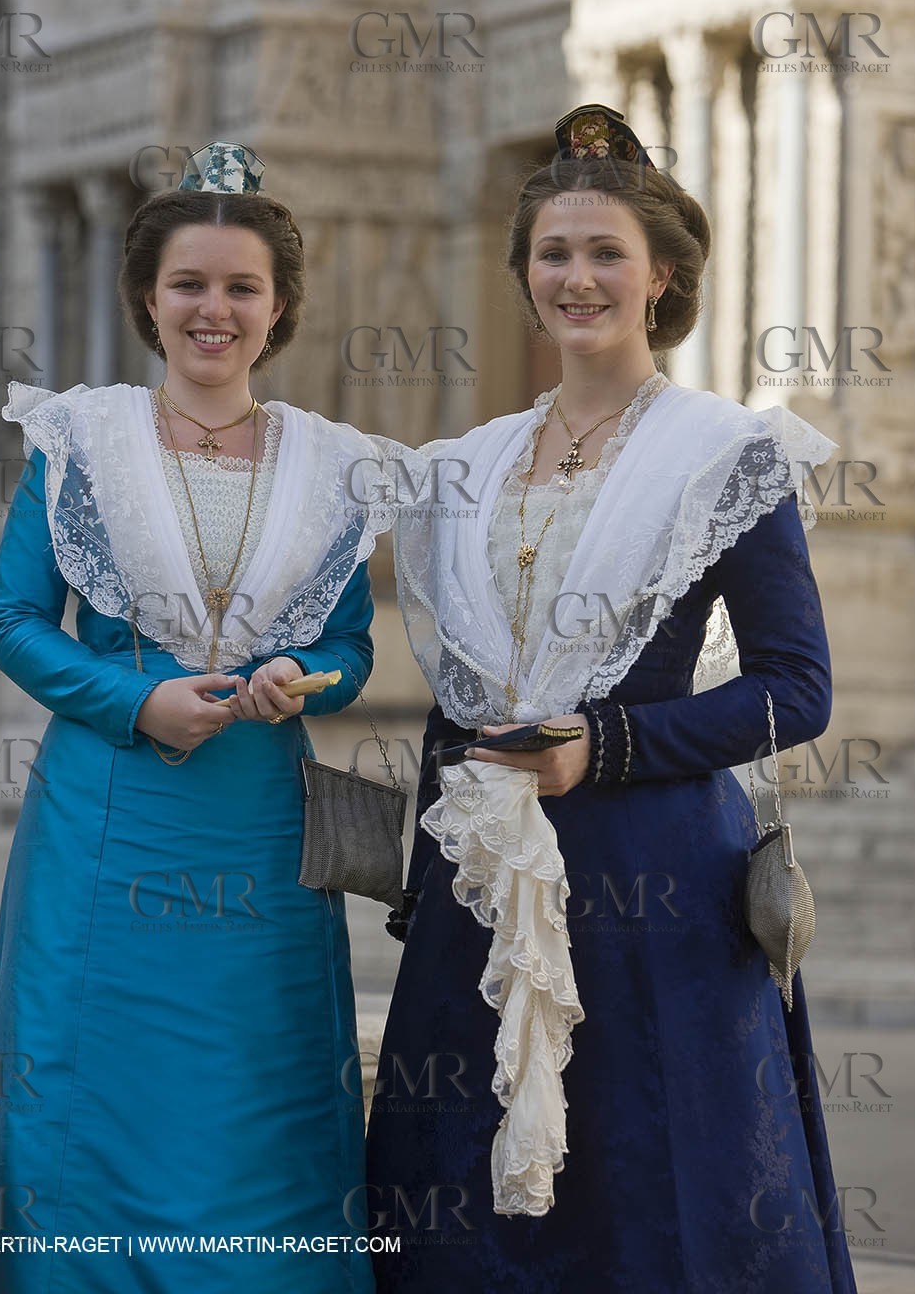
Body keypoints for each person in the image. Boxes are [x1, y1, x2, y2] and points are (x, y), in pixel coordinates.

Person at [365, 106, 858, 1293]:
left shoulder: (722, 452)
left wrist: (613, 742)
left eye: (603, 254)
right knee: (462, 1191)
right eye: (551, 253)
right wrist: (425, 879)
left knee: (656, 1182)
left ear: (661, 275)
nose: (574, 278)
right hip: (482, 882)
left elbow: (796, 687)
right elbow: (460, 698)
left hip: (658, 879)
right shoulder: (468, 462)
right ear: (523, 271)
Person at [0, 142, 387, 1294]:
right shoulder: (76, 440)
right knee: (82, 1074)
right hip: (109, 806)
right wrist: (135, 698)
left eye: (240, 286)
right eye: (189, 284)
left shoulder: (336, 467)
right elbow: (14, 620)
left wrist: (298, 676)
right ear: (148, 301)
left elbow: (353, 645)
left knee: (257, 1081)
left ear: (279, 306)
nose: (214, 308)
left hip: (262, 823)